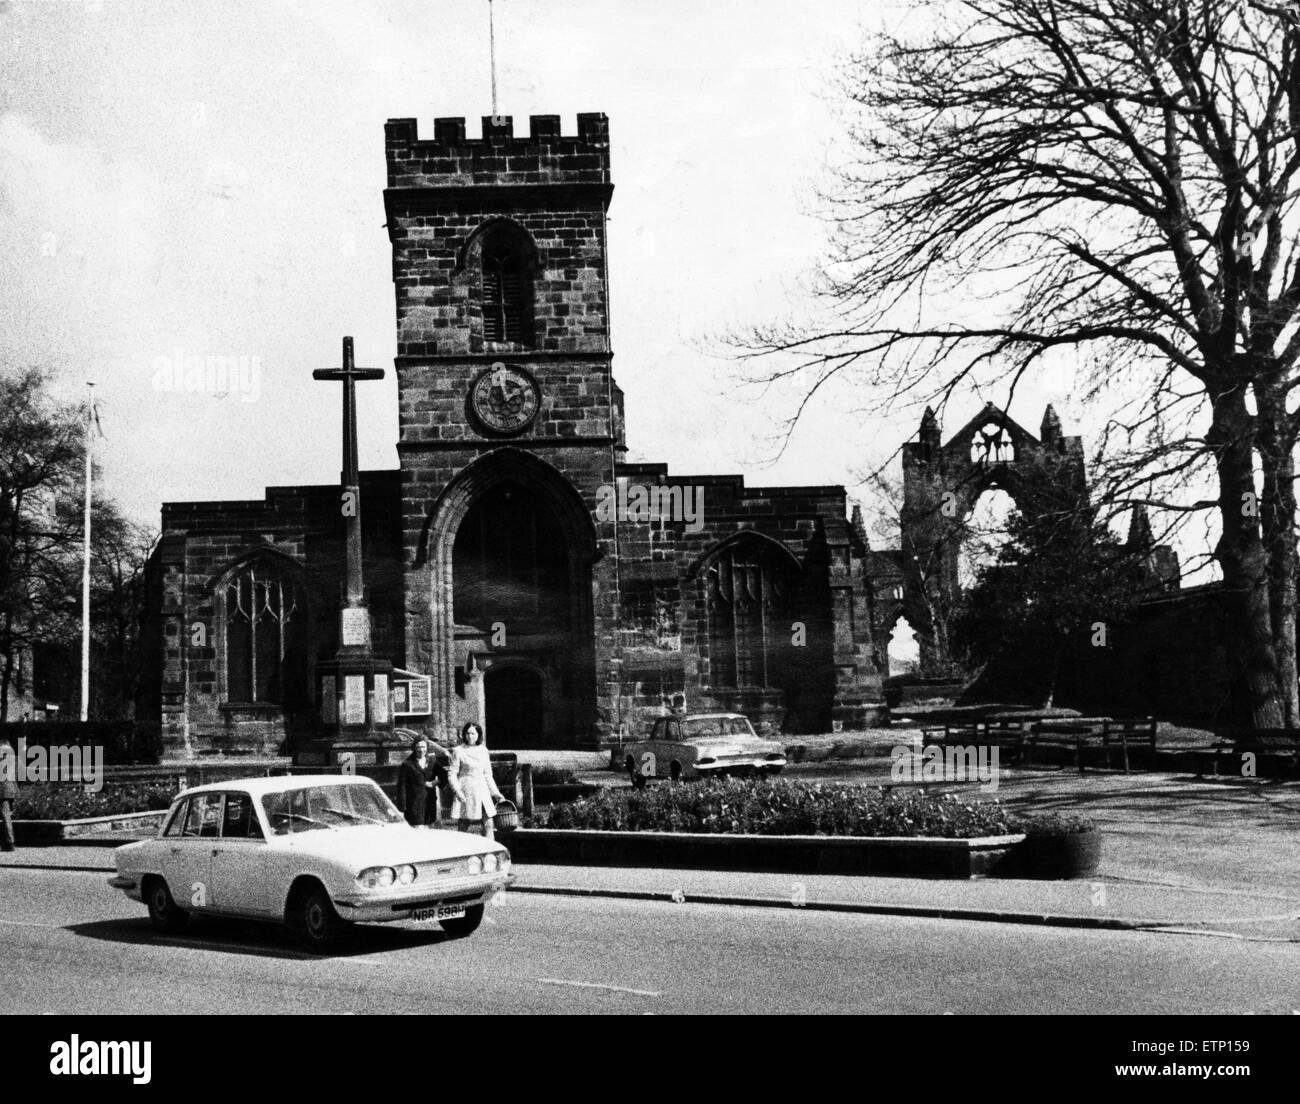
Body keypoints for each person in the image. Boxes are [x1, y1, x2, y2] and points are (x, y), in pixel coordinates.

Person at [447, 722, 505, 840]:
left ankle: (490, 849)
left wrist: (496, 793)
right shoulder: (458, 751)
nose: (470, 736)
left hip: (482, 789)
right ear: (464, 735)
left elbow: (488, 774)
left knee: (489, 822)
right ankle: (462, 850)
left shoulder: (483, 750)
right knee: (464, 823)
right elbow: (452, 773)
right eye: (468, 733)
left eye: (473, 733)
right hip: (466, 789)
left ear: (478, 735)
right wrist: (457, 791)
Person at [394, 734, 438, 829]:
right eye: (418, 747)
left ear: (427, 747)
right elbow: (401, 787)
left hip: (429, 805)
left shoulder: (432, 762)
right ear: (414, 748)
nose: (421, 750)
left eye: (423, 747)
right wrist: (402, 808)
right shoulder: (407, 764)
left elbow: (443, 776)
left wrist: (435, 782)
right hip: (414, 806)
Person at [1, 741, 17, 852]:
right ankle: (9, 842)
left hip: (2, 790)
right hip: (9, 790)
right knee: (6, 816)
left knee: (5, 816)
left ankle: (9, 842)